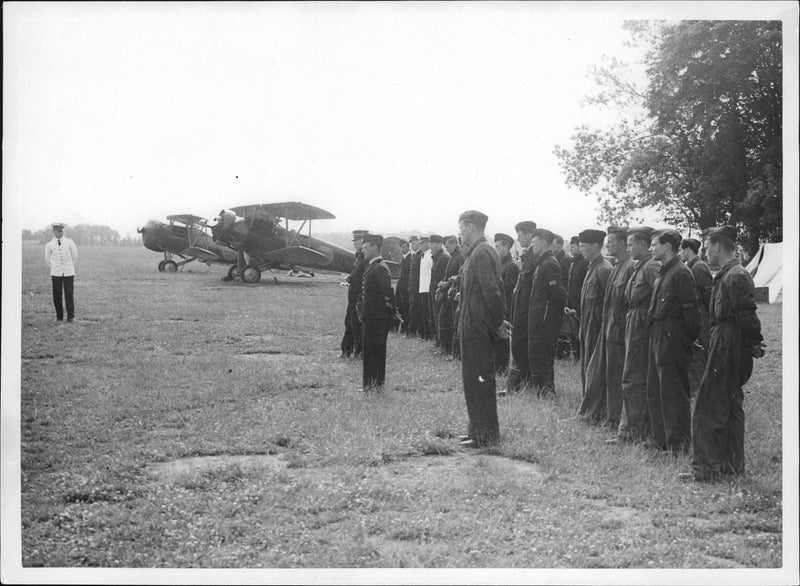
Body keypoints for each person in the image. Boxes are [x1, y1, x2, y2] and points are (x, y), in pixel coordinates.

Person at [683, 226, 764, 481]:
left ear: (718, 246)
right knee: (730, 406)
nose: (706, 253)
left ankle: (705, 469)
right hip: (724, 342)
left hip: (729, 345)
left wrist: (754, 342)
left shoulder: (735, 276)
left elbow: (747, 314)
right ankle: (731, 467)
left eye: (707, 248)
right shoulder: (728, 274)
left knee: (707, 407)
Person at [456, 210, 510, 447]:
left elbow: (493, 292)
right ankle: (476, 430)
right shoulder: (476, 252)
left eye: (461, 229)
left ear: (469, 227)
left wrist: (498, 323)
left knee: (480, 380)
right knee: (472, 380)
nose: (460, 233)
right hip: (471, 325)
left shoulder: (481, 253)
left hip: (479, 326)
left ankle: (486, 435)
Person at [647, 229, 701, 453]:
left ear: (667, 246)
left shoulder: (681, 273)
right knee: (656, 389)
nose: (651, 249)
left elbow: (691, 313)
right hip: (659, 334)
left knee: (673, 393)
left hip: (673, 338)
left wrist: (683, 340)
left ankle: (678, 444)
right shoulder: (664, 271)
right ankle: (661, 440)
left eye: (654, 244)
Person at [609, 227, 660, 444]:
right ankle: (629, 430)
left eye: (631, 245)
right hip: (634, 324)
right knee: (630, 378)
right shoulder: (639, 266)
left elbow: (661, 298)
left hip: (642, 327)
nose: (628, 249)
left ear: (643, 245)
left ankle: (634, 431)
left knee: (634, 379)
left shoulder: (651, 267)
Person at [576, 229, 613, 423]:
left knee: (596, 370)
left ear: (596, 247)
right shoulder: (592, 266)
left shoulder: (604, 269)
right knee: (587, 368)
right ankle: (588, 409)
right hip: (588, 325)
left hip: (598, 327)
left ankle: (594, 412)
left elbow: (610, 303)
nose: (581, 250)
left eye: (584, 246)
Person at [602, 226, 636, 428]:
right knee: (612, 375)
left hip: (623, 330)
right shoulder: (617, 266)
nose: (608, 245)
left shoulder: (630, 266)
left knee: (622, 376)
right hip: (612, 329)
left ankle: (620, 420)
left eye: (611, 242)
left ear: (623, 244)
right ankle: (612, 417)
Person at [526, 228, 567, 395]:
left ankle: (546, 390)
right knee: (537, 353)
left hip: (545, 320)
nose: (532, 246)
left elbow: (557, 294)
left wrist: (548, 317)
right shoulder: (541, 262)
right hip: (539, 317)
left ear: (543, 243)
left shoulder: (549, 264)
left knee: (543, 354)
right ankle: (541, 388)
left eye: (535, 242)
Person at [358, 234, 396, 390]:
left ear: (374, 247)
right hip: (372, 317)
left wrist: (390, 313)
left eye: (365, 247)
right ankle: (372, 384)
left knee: (375, 353)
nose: (363, 250)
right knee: (371, 352)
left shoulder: (379, 267)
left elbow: (388, 293)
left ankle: (374, 385)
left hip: (377, 318)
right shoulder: (374, 266)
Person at [679, 237, 713, 398]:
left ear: (688, 250)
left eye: (681, 250)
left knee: (702, 350)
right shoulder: (690, 267)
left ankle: (702, 388)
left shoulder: (699, 267)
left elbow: (709, 296)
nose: (679, 253)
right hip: (694, 313)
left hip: (702, 315)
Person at [506, 220, 537, 392]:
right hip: (520, 310)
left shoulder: (534, 257)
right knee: (518, 346)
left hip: (526, 311)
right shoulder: (527, 256)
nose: (518, 239)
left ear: (529, 235)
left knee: (521, 347)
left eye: (520, 235)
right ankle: (518, 384)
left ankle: (521, 384)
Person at [493, 233, 519, 376]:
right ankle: (497, 366)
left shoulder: (511, 266)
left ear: (506, 247)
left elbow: (509, 286)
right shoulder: (499, 263)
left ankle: (501, 368)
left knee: (502, 338)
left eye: (498, 246)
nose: (496, 249)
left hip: (505, 306)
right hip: (498, 304)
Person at [340, 230, 368, 358]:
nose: (355, 243)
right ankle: (347, 350)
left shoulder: (365, 258)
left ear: (363, 242)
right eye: (355, 241)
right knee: (349, 323)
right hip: (353, 296)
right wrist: (350, 277)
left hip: (358, 297)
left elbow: (364, 277)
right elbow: (357, 274)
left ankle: (359, 351)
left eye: (358, 241)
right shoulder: (358, 256)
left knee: (357, 325)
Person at [44, 223, 78, 322]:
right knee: (57, 295)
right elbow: (47, 259)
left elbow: (75, 256)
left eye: (61, 231)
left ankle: (71, 317)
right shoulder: (49, 245)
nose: (60, 233)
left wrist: (69, 266)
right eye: (57, 231)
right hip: (56, 273)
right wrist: (55, 266)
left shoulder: (69, 242)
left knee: (69, 294)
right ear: (54, 232)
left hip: (68, 272)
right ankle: (59, 317)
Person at [436, 235, 463, 357]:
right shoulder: (453, 257)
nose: (446, 249)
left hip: (453, 295)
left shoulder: (459, 257)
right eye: (445, 247)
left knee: (448, 321)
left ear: (454, 244)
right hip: (448, 294)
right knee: (444, 320)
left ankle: (449, 349)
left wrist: (447, 283)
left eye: (448, 246)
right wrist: (442, 282)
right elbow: (447, 275)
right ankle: (445, 347)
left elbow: (459, 276)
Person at [566, 236, 588, 358]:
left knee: (580, 327)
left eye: (573, 246)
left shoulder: (584, 263)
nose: (571, 249)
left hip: (580, 300)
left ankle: (580, 353)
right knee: (573, 328)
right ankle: (575, 351)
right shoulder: (573, 262)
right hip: (572, 299)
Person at [428, 235, 450, 350]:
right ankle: (438, 341)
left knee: (440, 318)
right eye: (430, 244)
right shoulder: (436, 257)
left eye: (433, 244)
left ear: (440, 244)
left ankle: (442, 343)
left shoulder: (444, 257)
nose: (431, 247)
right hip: (434, 291)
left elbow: (445, 277)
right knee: (434, 316)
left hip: (441, 293)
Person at [417, 237, 434, 340]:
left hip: (427, 287)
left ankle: (429, 334)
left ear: (428, 243)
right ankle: (425, 334)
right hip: (422, 287)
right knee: (423, 312)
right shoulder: (422, 255)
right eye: (420, 244)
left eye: (423, 244)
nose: (422, 246)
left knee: (428, 312)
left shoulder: (431, 255)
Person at [394, 239, 412, 334]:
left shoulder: (411, 258)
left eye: (404, 247)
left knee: (405, 307)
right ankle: (399, 328)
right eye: (400, 247)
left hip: (406, 287)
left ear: (408, 247)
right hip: (400, 286)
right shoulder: (403, 258)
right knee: (399, 306)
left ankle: (405, 328)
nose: (402, 249)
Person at [406, 236, 422, 337]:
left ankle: (413, 331)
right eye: (411, 243)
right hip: (412, 286)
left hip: (417, 287)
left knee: (415, 309)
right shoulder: (415, 255)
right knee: (412, 308)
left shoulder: (420, 255)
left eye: (414, 242)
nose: (412, 245)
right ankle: (412, 330)